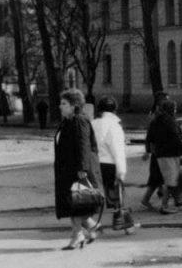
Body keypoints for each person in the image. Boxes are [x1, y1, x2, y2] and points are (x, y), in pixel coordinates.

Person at [53, 89, 103, 250]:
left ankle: (78, 235)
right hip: (68, 169)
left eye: (64, 104)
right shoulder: (68, 121)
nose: (60, 106)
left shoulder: (79, 121)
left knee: (76, 203)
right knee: (75, 203)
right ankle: (90, 226)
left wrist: (82, 168)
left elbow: (83, 145)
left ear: (74, 105)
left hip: (78, 170)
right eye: (61, 103)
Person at [144, 98, 182, 214]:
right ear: (171, 109)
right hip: (171, 154)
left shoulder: (156, 120)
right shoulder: (170, 121)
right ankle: (164, 206)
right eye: (175, 108)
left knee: (169, 180)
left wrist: (149, 151)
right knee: (170, 181)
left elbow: (150, 138)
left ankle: (172, 201)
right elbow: (175, 138)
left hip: (160, 154)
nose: (176, 110)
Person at [91, 96, 127, 213]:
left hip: (94, 164)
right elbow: (118, 150)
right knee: (117, 199)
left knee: (95, 198)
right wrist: (121, 172)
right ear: (114, 110)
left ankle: (92, 224)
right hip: (110, 165)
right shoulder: (114, 126)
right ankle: (122, 224)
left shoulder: (92, 124)